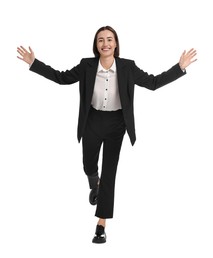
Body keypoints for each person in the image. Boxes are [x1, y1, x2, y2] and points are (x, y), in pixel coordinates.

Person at [17, 25, 197, 244]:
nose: (105, 43)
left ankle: (101, 224)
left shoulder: (128, 67)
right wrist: (34, 63)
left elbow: (153, 83)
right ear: (96, 44)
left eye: (109, 39)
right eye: (101, 40)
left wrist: (180, 67)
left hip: (116, 125)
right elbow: (61, 77)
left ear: (116, 43)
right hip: (92, 120)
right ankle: (95, 183)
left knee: (110, 173)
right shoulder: (86, 65)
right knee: (88, 165)